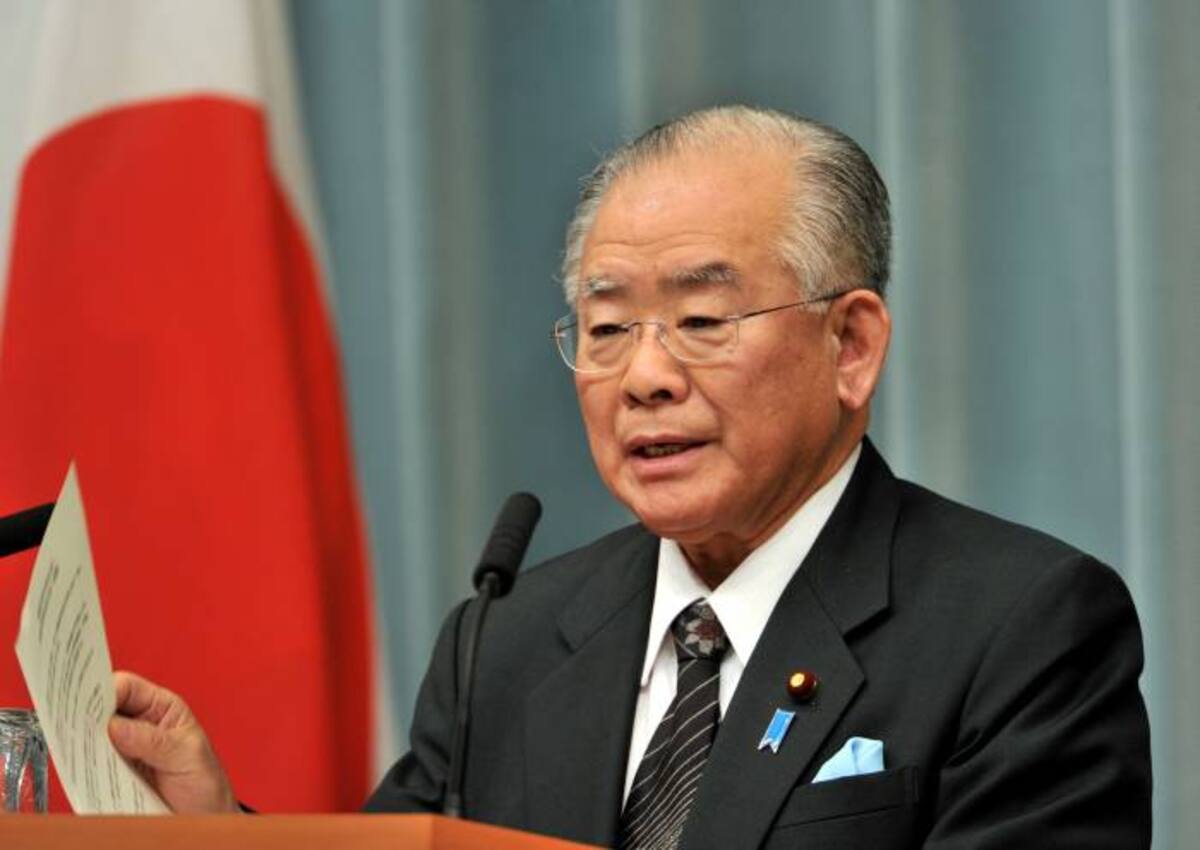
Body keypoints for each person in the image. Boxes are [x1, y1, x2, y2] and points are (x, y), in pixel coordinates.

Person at [108, 105, 1152, 848]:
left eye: (702, 321)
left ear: (851, 346)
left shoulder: (1021, 626)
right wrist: (214, 830)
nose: (644, 376)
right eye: (607, 328)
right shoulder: (508, 639)